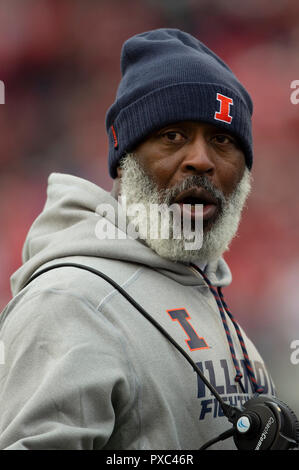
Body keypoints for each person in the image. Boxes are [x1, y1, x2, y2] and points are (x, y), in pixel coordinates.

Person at [0, 28, 276, 450]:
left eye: (222, 140)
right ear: (124, 160)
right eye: (172, 136)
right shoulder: (71, 301)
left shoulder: (205, 287)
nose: (201, 160)